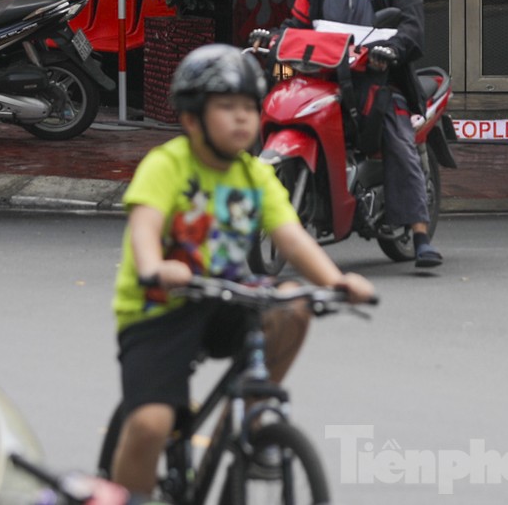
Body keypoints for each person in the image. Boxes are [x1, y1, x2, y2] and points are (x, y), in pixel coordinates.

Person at [108, 45, 375, 500]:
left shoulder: (256, 175)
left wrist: (335, 281)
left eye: (249, 108)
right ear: (192, 119)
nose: (242, 118)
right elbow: (146, 227)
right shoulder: (167, 164)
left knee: (292, 304)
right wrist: (156, 266)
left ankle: (250, 419)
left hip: (224, 298)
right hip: (159, 308)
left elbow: (290, 236)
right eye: (226, 107)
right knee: (152, 422)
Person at [279, 0, 443, 269]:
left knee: (399, 139)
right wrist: (272, 39)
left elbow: (413, 28)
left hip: (382, 82)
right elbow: (294, 26)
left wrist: (393, 49)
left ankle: (419, 234)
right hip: (328, 83)